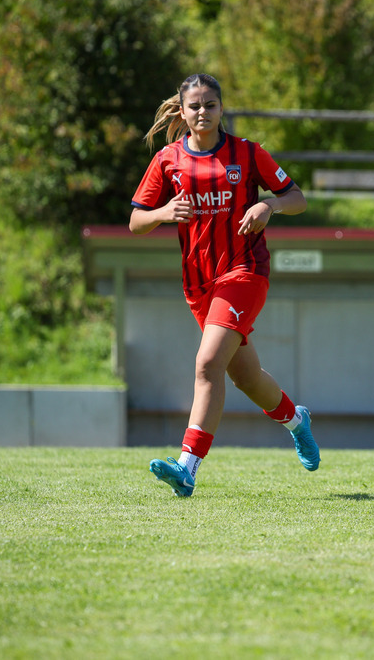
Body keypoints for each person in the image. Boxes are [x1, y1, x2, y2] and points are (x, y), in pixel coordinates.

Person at [130, 73, 320, 497]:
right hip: (199, 285)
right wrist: (162, 213)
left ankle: (187, 467)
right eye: (194, 106)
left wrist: (268, 204)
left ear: (221, 108)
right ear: (183, 111)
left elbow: (298, 198)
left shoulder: (248, 154)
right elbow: (135, 221)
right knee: (246, 377)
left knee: (206, 365)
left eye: (210, 104)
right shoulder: (167, 160)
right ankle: (296, 420)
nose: (203, 112)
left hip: (245, 272)